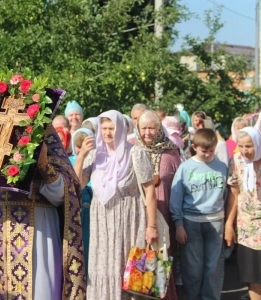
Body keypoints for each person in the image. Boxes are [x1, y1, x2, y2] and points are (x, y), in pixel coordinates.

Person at [0, 125, 87, 300]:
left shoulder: (45, 132)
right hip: (0, 228)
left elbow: (64, 195)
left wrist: (43, 164)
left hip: (40, 230)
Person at [74, 110, 157, 299]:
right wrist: (81, 156)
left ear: (121, 128)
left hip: (129, 221)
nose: (107, 133)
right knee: (103, 267)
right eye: (104, 128)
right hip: (101, 222)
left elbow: (150, 190)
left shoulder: (136, 153)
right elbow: (78, 183)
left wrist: (151, 226)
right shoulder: (95, 154)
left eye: (112, 128)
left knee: (129, 271)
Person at [170, 128, 228, 300]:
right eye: (204, 151)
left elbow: (225, 194)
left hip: (216, 219)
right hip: (191, 221)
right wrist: (178, 224)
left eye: (211, 150)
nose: (208, 154)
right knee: (193, 267)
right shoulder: (186, 168)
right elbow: (176, 197)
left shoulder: (222, 167)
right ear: (195, 147)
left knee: (213, 267)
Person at [136, 110, 181, 300]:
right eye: (143, 128)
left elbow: (180, 188)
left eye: (151, 128)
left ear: (159, 129)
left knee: (162, 266)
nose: (147, 132)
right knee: (142, 267)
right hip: (139, 216)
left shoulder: (171, 153)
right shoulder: (134, 151)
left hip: (164, 217)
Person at [225, 127, 261, 300]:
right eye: (241, 146)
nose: (244, 151)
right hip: (247, 229)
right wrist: (229, 224)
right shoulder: (236, 161)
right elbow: (234, 194)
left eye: (248, 146)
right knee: (253, 278)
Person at [70, 128, 95, 279]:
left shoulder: (97, 158)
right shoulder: (70, 161)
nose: (81, 148)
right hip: (78, 213)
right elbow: (75, 184)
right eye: (78, 145)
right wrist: (81, 156)